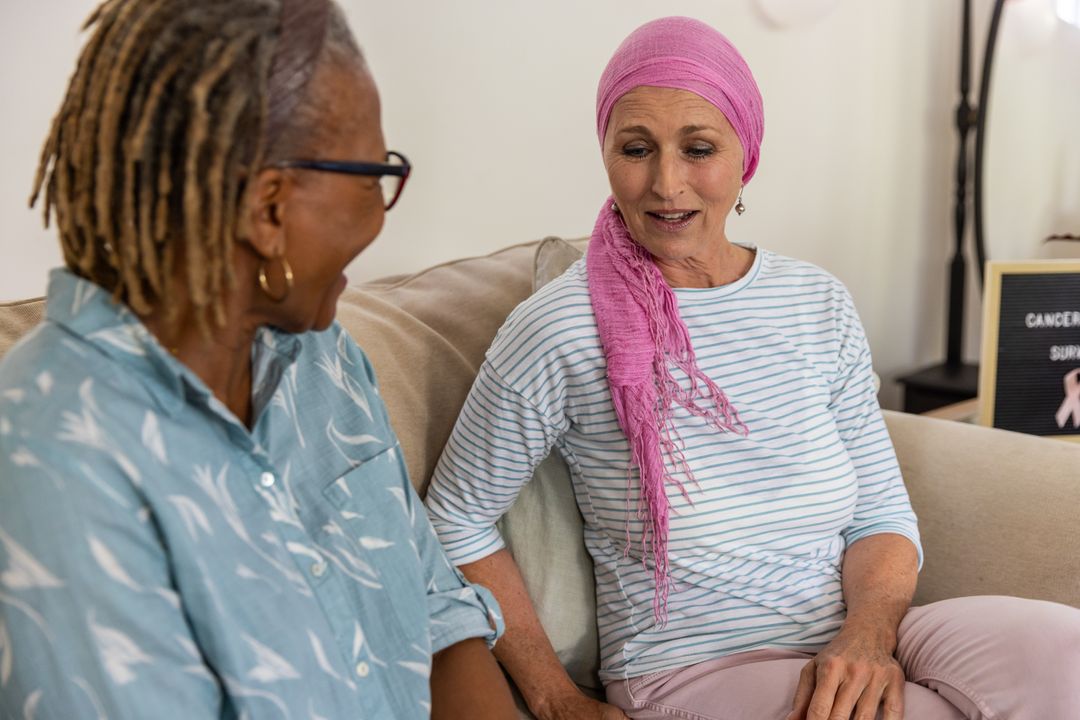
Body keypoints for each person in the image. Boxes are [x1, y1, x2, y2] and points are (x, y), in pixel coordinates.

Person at [424, 16, 1080, 720]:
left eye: (698, 148)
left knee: (1064, 651)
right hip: (693, 669)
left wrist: (867, 636)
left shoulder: (815, 300)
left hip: (858, 631)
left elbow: (880, 513)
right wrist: (556, 700)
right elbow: (454, 518)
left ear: (747, 154)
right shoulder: (561, 325)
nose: (666, 184)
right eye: (636, 149)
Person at [0, 1, 517, 718]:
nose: (380, 210)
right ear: (269, 209)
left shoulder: (320, 358)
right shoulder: (47, 458)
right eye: (372, 177)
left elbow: (438, 617)